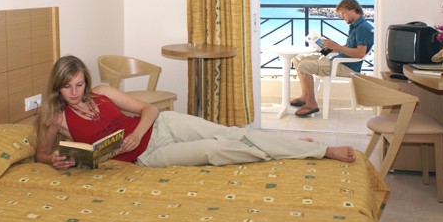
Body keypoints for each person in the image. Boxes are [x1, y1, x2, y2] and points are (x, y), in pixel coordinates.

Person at [35, 55, 357, 171]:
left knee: (230, 132)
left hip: (161, 126)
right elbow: (40, 154)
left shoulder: (103, 93)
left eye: (79, 84)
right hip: (147, 157)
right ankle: (288, 149)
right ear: (57, 88)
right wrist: (54, 161)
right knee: (216, 149)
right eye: (68, 87)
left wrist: (136, 132)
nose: (75, 92)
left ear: (86, 80)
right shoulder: (56, 119)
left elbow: (148, 108)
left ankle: (318, 149)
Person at [291, 0, 374, 117]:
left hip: (345, 66)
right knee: (298, 58)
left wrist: (337, 47)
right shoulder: (356, 26)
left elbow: (360, 53)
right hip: (339, 60)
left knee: (304, 65)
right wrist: (331, 47)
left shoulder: (362, 28)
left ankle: (312, 103)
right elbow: (350, 47)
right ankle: (305, 96)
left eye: (343, 13)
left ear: (353, 10)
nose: (342, 17)